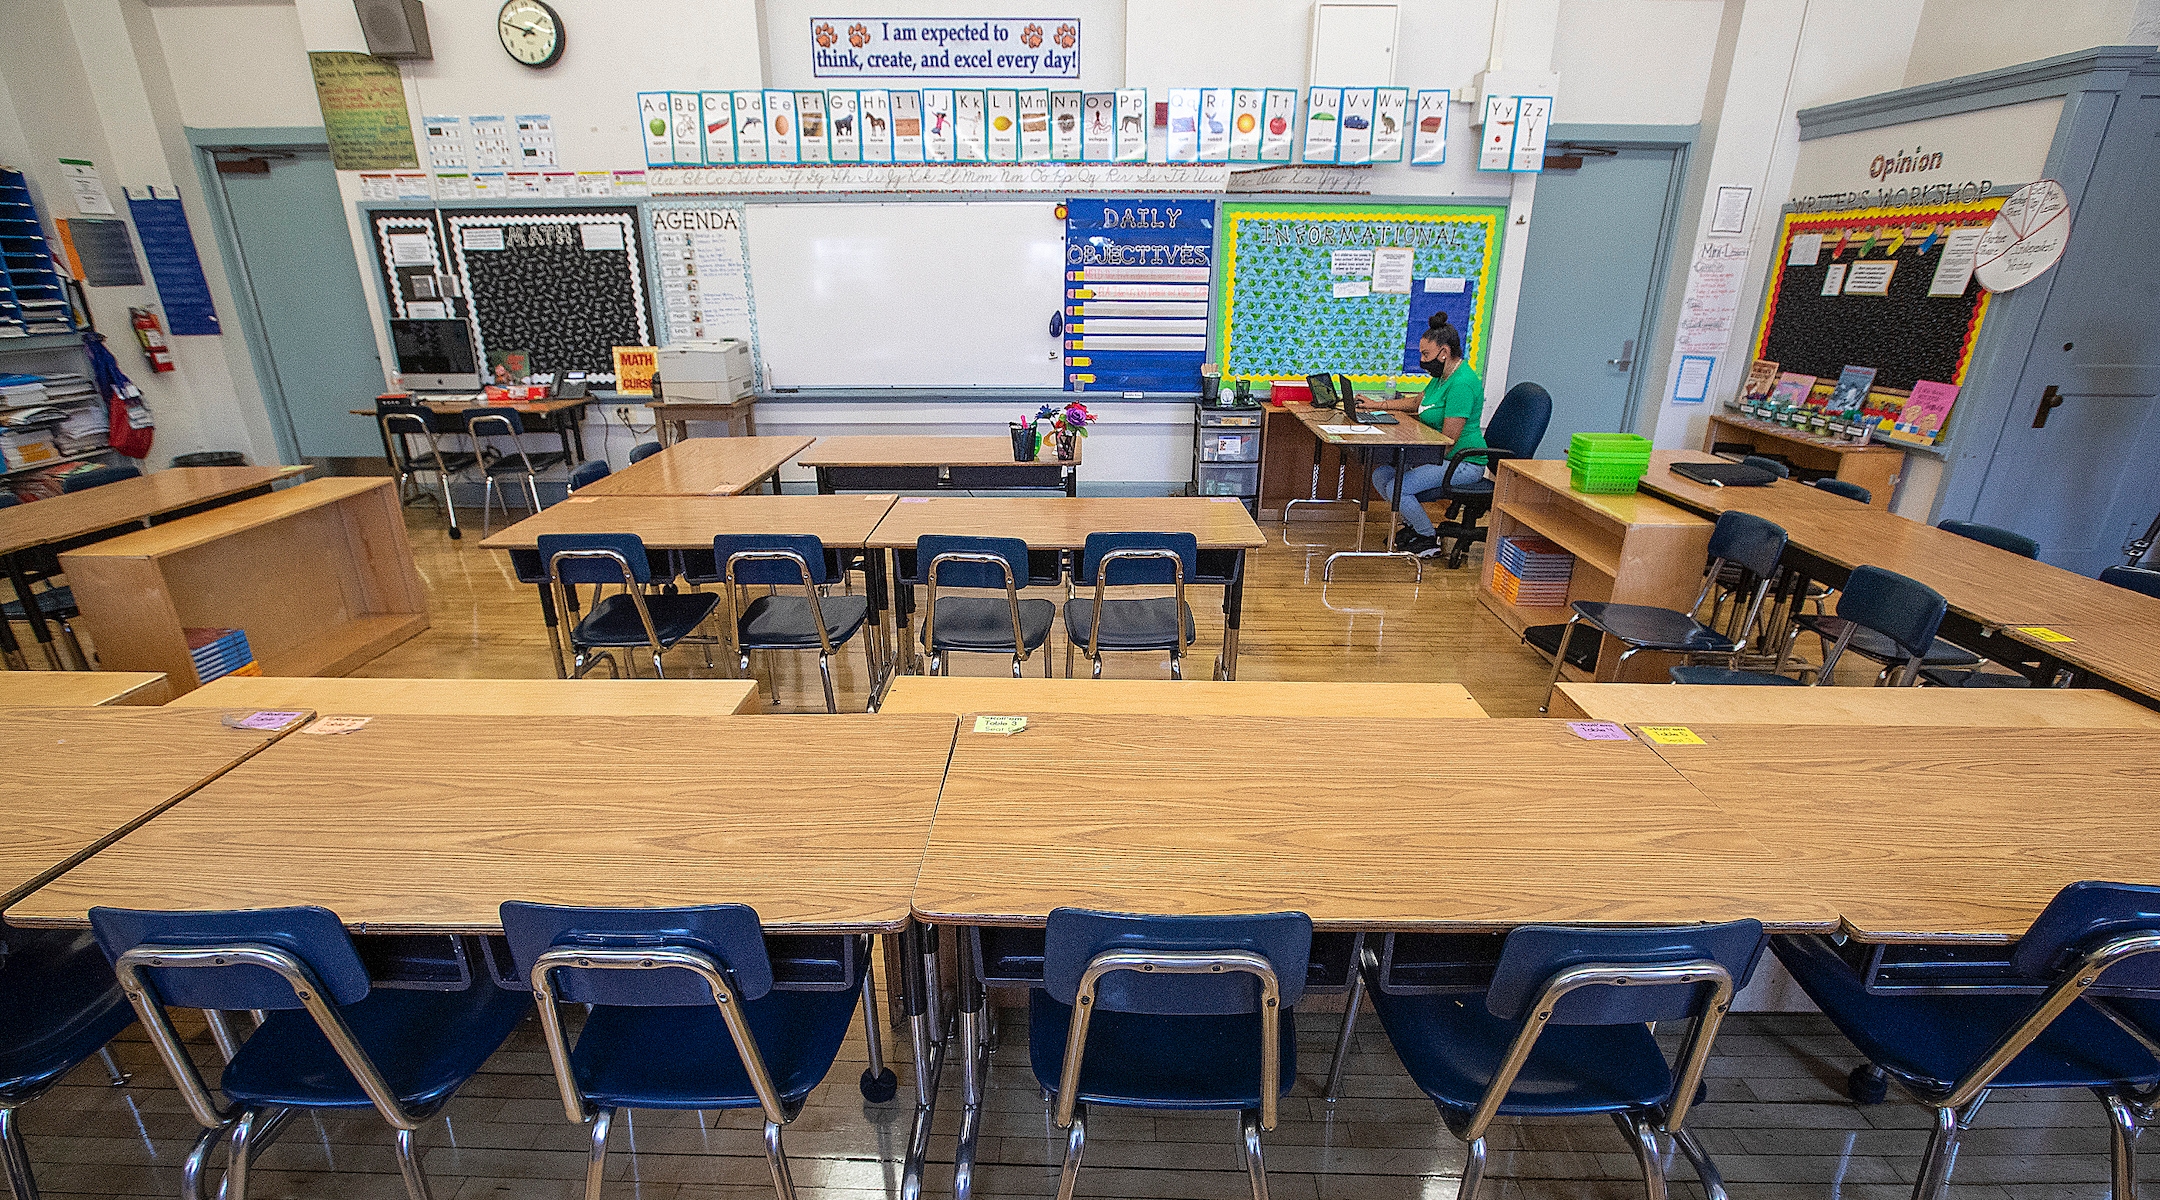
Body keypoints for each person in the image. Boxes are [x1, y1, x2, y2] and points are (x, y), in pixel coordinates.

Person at [1368, 311, 1487, 555]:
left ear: (1444, 353)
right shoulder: (1441, 377)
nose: (1422, 360)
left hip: (1462, 462)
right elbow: (1417, 402)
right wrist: (1376, 405)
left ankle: (1427, 538)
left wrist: (1413, 456)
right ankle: (1414, 526)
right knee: (1381, 475)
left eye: (1426, 354)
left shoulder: (1461, 383)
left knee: (1397, 486)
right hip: (1441, 457)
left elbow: (1449, 441)